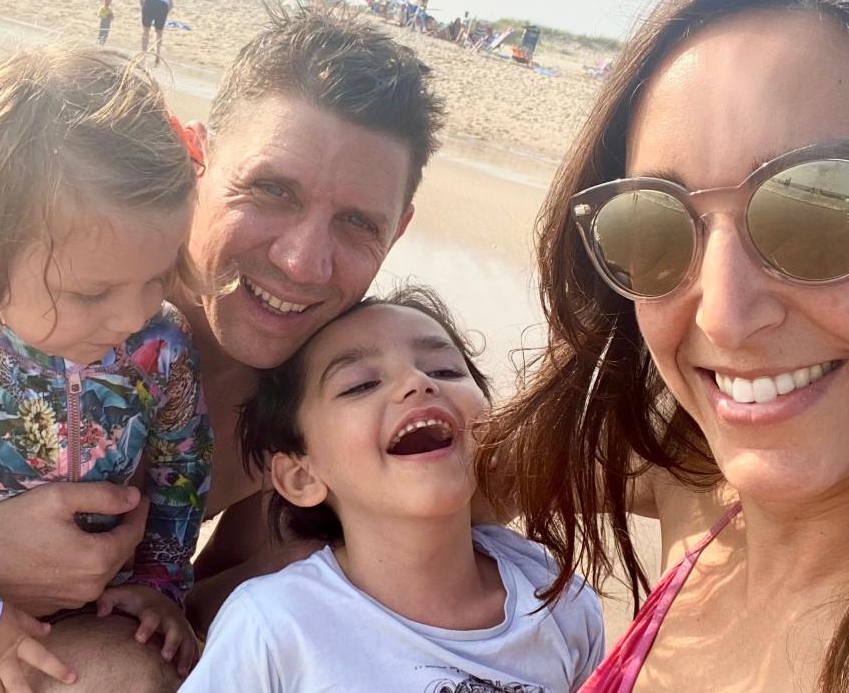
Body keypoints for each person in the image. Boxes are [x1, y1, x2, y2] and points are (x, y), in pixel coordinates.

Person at [0, 8, 443, 689]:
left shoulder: (321, 402)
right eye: (272, 190)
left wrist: (161, 593)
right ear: (197, 155)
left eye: (358, 222)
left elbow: (215, 622)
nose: (302, 263)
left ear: (400, 230)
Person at [476, 0, 849, 691]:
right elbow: (457, 482)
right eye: (652, 229)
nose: (722, 316)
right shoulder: (695, 474)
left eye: (816, 214)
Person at [0, 46, 211, 692]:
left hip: (81, 626)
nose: (131, 315)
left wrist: (158, 585)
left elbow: (183, 475)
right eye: (92, 294)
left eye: (155, 277)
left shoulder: (161, 346)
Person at [181, 286, 604, 692]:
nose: (418, 383)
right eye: (360, 384)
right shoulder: (273, 625)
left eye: (445, 370)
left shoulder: (558, 596)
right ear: (301, 477)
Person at [139, 0, 173, 65]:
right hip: (163, 5)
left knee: (146, 30)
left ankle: (143, 56)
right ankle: (157, 54)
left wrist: (143, 7)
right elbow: (171, 4)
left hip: (150, 0)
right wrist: (164, 14)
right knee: (158, 31)